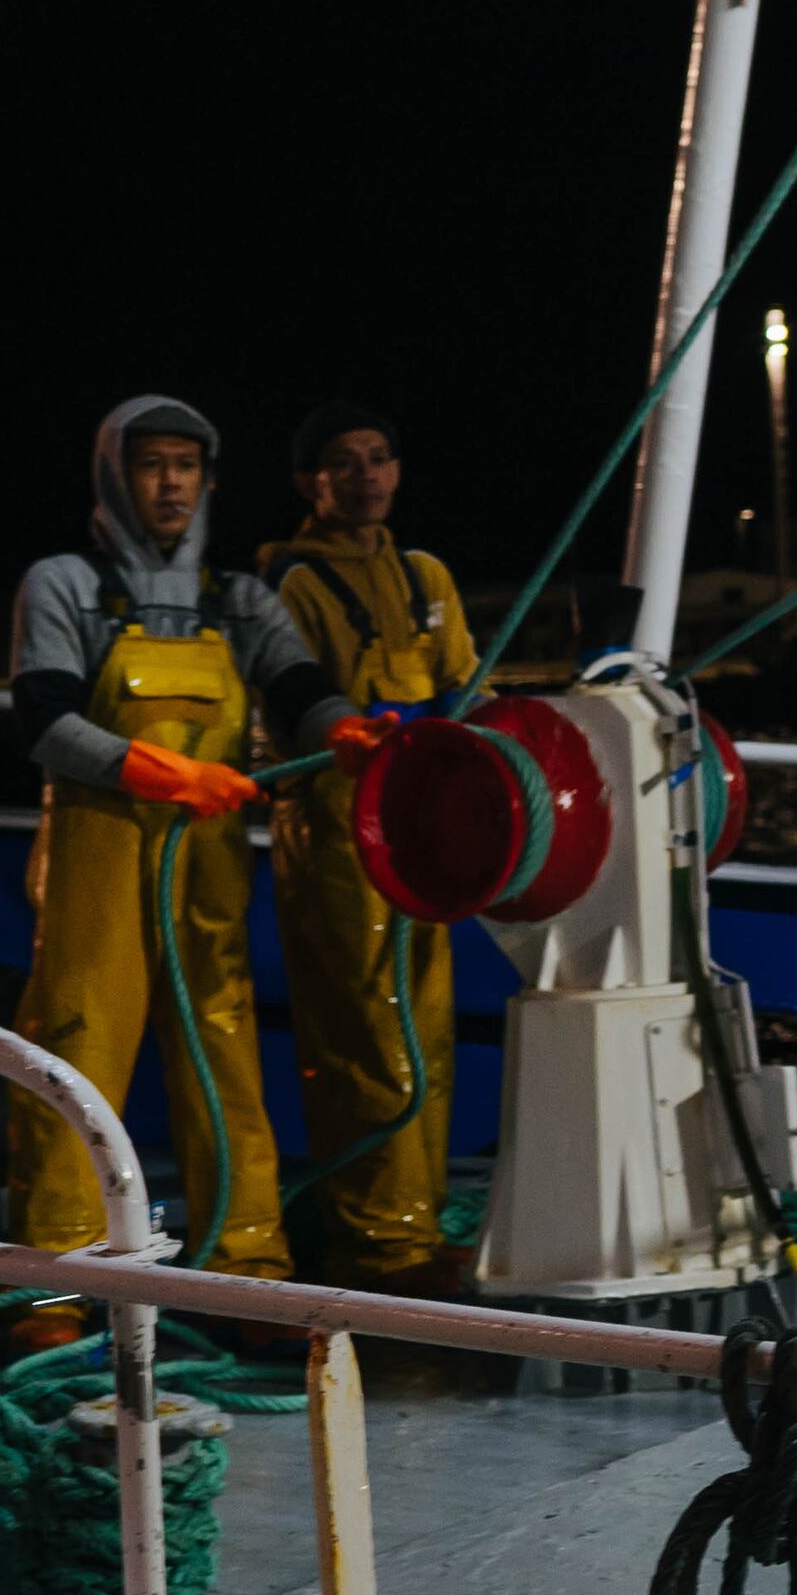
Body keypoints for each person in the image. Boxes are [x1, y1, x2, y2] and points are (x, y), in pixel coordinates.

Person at [6, 398, 359, 1292]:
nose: (170, 483)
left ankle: (249, 1262)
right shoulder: (63, 583)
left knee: (225, 1043)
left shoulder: (240, 600)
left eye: (186, 465)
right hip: (101, 847)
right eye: (151, 464)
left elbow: (299, 687)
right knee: (80, 1036)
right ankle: (59, 1271)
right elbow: (44, 719)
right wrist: (169, 776)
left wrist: (349, 728)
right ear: (115, 475)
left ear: (208, 479)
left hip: (207, 859)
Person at [257, 403, 481, 1298]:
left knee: (428, 1027)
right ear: (310, 480)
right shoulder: (289, 582)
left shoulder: (428, 574)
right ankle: (378, 1244)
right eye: (343, 463)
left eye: (380, 457)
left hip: (424, 830)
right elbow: (292, 706)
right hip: (339, 835)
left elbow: (467, 684)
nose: (365, 476)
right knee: (364, 1032)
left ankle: (416, 1222)